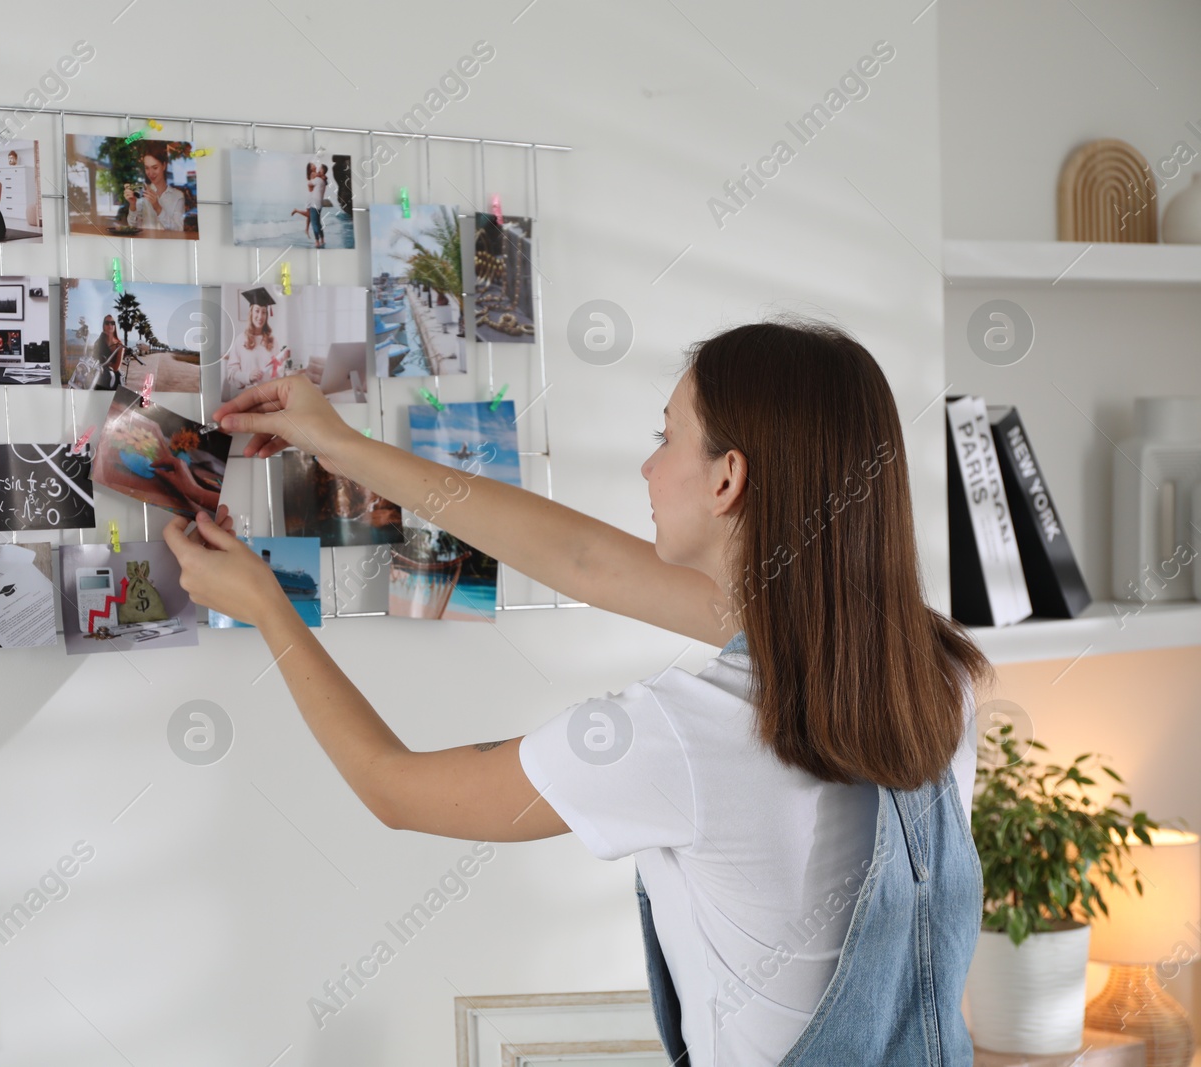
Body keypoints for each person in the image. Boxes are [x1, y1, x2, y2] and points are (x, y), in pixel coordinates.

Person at [165, 317, 995, 1067]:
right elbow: (585, 563)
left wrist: (268, 608)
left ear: (726, 479)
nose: (647, 463)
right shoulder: (932, 669)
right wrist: (341, 446)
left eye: (665, 436)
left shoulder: (683, 734)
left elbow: (392, 787)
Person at [221, 286, 290, 402]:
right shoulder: (240, 340)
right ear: (251, 312)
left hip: (269, 397)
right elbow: (231, 374)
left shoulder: (272, 341)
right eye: (257, 311)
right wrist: (247, 376)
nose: (260, 316)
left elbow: (278, 371)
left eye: (264, 312)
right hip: (248, 397)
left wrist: (280, 363)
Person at [133, 144, 185, 232]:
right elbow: (133, 226)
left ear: (164, 166)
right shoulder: (142, 191)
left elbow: (179, 230)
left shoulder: (178, 196)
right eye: (147, 168)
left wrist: (158, 208)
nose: (150, 173)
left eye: (155, 167)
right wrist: (132, 205)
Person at [289, 161, 327, 247]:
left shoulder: (313, 174)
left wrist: (323, 176)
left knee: (310, 215)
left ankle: (306, 229)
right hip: (311, 197)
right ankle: (297, 211)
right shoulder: (313, 173)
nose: (314, 165)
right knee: (309, 215)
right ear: (310, 168)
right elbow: (319, 177)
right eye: (312, 165)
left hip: (313, 195)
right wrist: (323, 176)